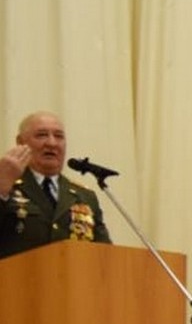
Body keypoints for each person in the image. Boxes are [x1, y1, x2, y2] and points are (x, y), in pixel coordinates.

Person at [0, 111, 111, 259]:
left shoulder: (84, 196)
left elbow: (105, 255)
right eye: (41, 135)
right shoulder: (6, 184)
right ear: (21, 142)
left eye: (59, 136)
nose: (52, 143)